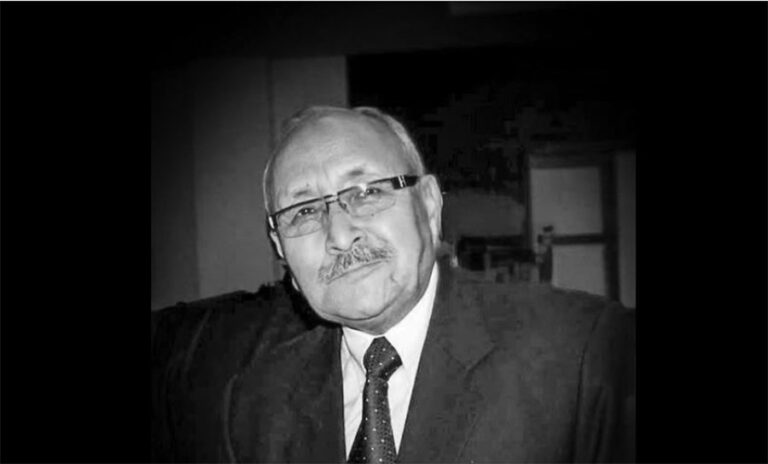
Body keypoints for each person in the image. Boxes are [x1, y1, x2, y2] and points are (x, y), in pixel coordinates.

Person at [151, 106, 635, 463]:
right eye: (304, 211)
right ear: (280, 248)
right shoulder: (253, 403)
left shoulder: (584, 356)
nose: (340, 235)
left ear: (428, 204)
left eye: (366, 192)